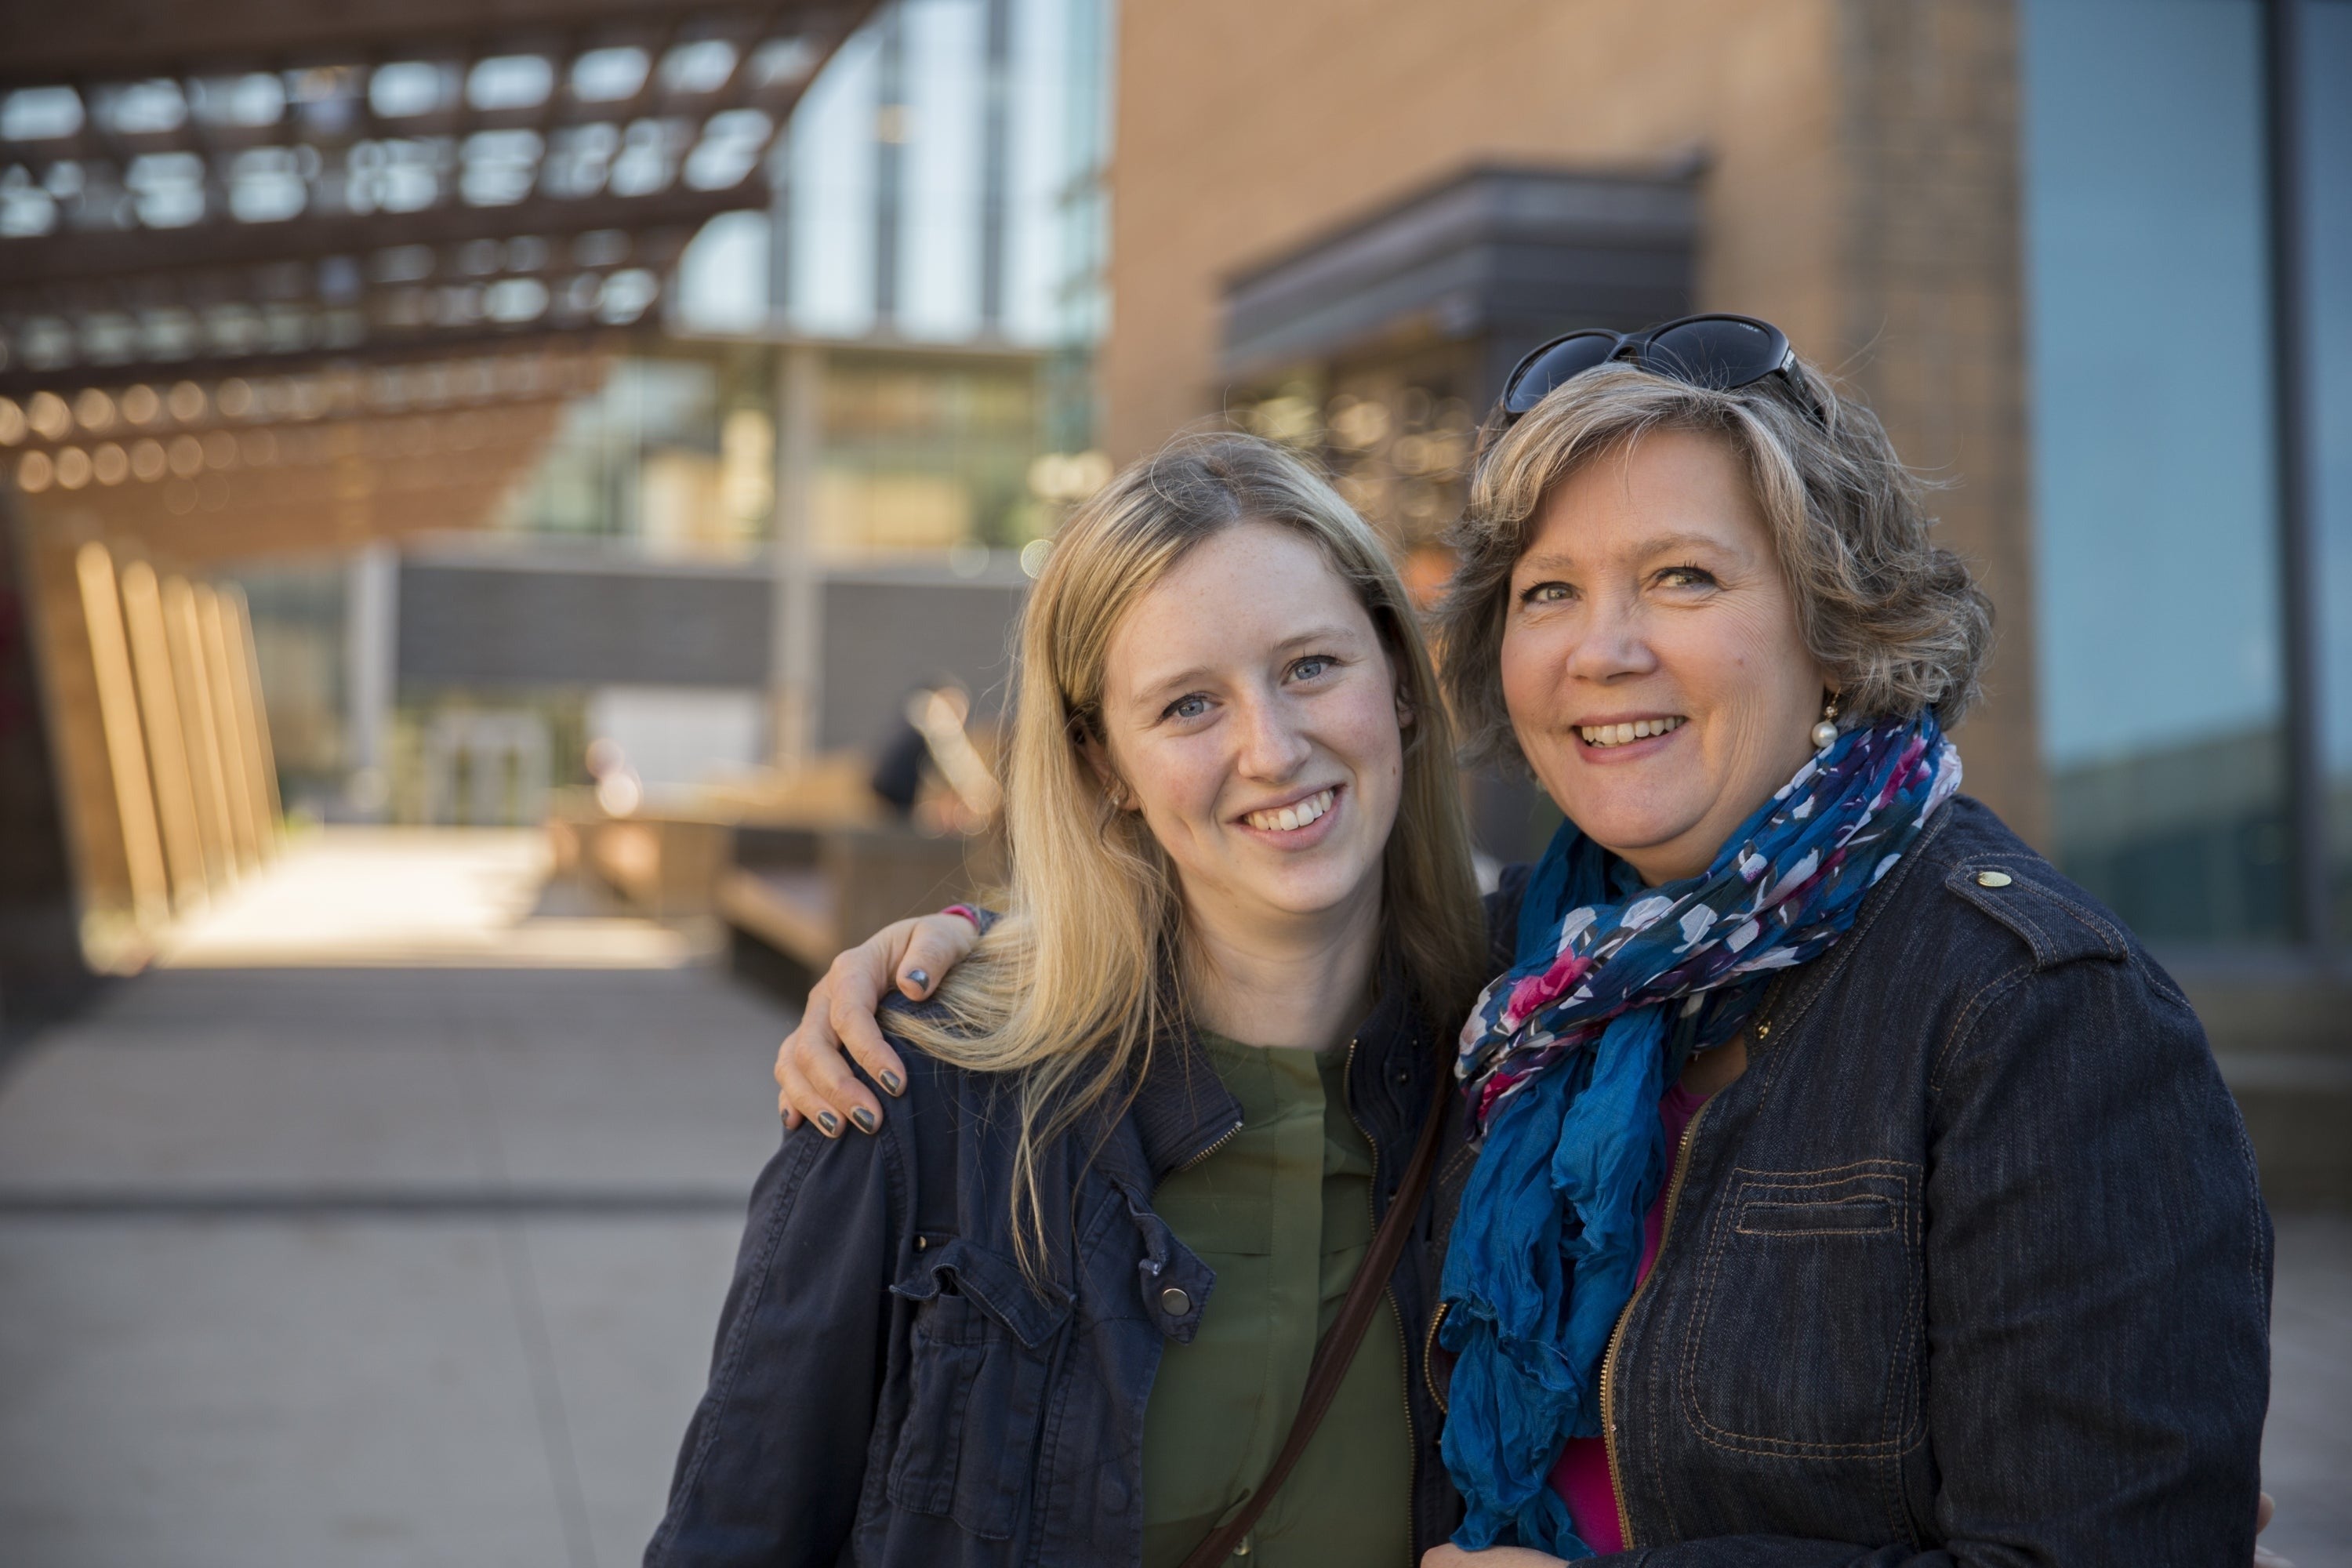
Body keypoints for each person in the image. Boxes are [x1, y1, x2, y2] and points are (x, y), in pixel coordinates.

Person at [772, 315, 2274, 1563]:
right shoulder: (1516, 993)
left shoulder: (2035, 1018)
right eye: (1552, 592)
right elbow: (1222, 934)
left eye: (1682, 577)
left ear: (1834, 620)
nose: (1603, 647)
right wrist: (975, 948)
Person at [646, 434, 1490, 1566]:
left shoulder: (1519, 1071)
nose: (1272, 748)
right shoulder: (915, 1092)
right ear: (1105, 768)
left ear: (1399, 679)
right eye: (1188, 706)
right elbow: (731, 1538)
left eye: (1310, 668)